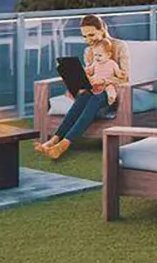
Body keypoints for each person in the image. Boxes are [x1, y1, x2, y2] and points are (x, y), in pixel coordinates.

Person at [35, 14, 130, 159]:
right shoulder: (89, 51)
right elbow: (90, 75)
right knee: (84, 97)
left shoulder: (120, 46)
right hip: (94, 90)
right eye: (85, 36)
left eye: (91, 35)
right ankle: (54, 140)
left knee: (94, 99)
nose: (88, 40)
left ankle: (64, 145)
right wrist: (76, 82)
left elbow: (125, 78)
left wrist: (103, 81)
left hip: (114, 93)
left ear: (102, 30)